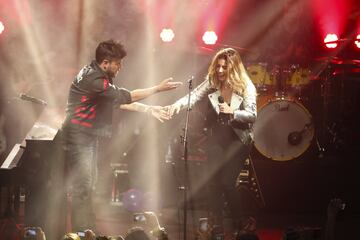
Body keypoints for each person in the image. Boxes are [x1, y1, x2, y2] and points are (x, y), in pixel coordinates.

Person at [61, 39, 182, 232]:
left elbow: (117, 101)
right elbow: (127, 96)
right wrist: (157, 89)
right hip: (78, 136)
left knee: (89, 184)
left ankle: (87, 229)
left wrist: (149, 110)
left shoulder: (96, 73)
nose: (120, 67)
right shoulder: (95, 80)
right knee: (83, 186)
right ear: (106, 62)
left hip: (85, 136)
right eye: (118, 63)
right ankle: (82, 232)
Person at [167, 48, 257, 227]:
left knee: (227, 182)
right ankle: (216, 223)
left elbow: (252, 115)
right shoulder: (213, 81)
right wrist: (176, 106)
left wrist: (234, 112)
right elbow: (192, 97)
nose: (220, 71)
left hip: (237, 140)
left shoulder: (247, 86)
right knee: (213, 181)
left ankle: (240, 223)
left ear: (234, 69)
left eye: (225, 67)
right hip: (217, 137)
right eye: (218, 66)